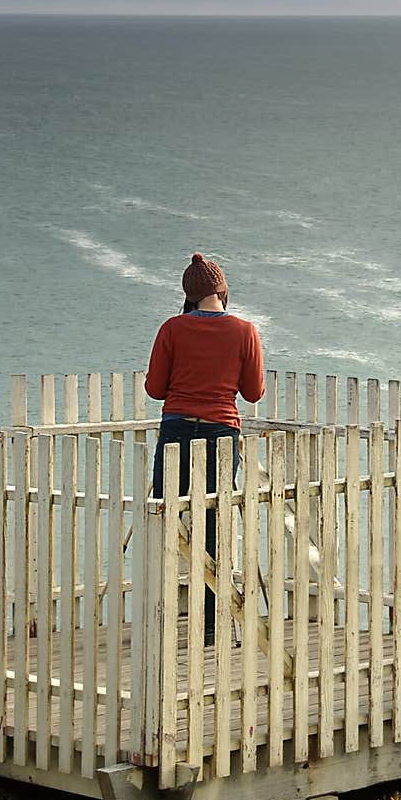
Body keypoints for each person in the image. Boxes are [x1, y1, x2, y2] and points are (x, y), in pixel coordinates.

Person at [145, 252, 265, 642]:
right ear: (222, 289)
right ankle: (213, 626)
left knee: (168, 525)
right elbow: (253, 392)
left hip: (177, 430)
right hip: (220, 434)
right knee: (215, 528)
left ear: (189, 295)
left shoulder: (171, 329)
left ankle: (160, 623)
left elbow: (154, 389)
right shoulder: (245, 331)